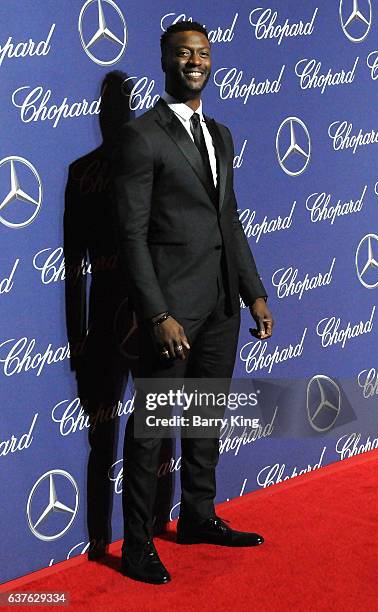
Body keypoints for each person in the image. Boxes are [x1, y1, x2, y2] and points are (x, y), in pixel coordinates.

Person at [112, 21, 274, 585]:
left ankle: (199, 517)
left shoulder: (221, 134)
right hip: (172, 313)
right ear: (164, 60)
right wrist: (156, 313)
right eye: (183, 52)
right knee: (151, 429)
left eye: (203, 53)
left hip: (222, 307)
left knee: (205, 420)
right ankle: (135, 547)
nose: (194, 61)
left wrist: (253, 291)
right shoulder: (141, 135)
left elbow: (228, 220)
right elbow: (130, 236)